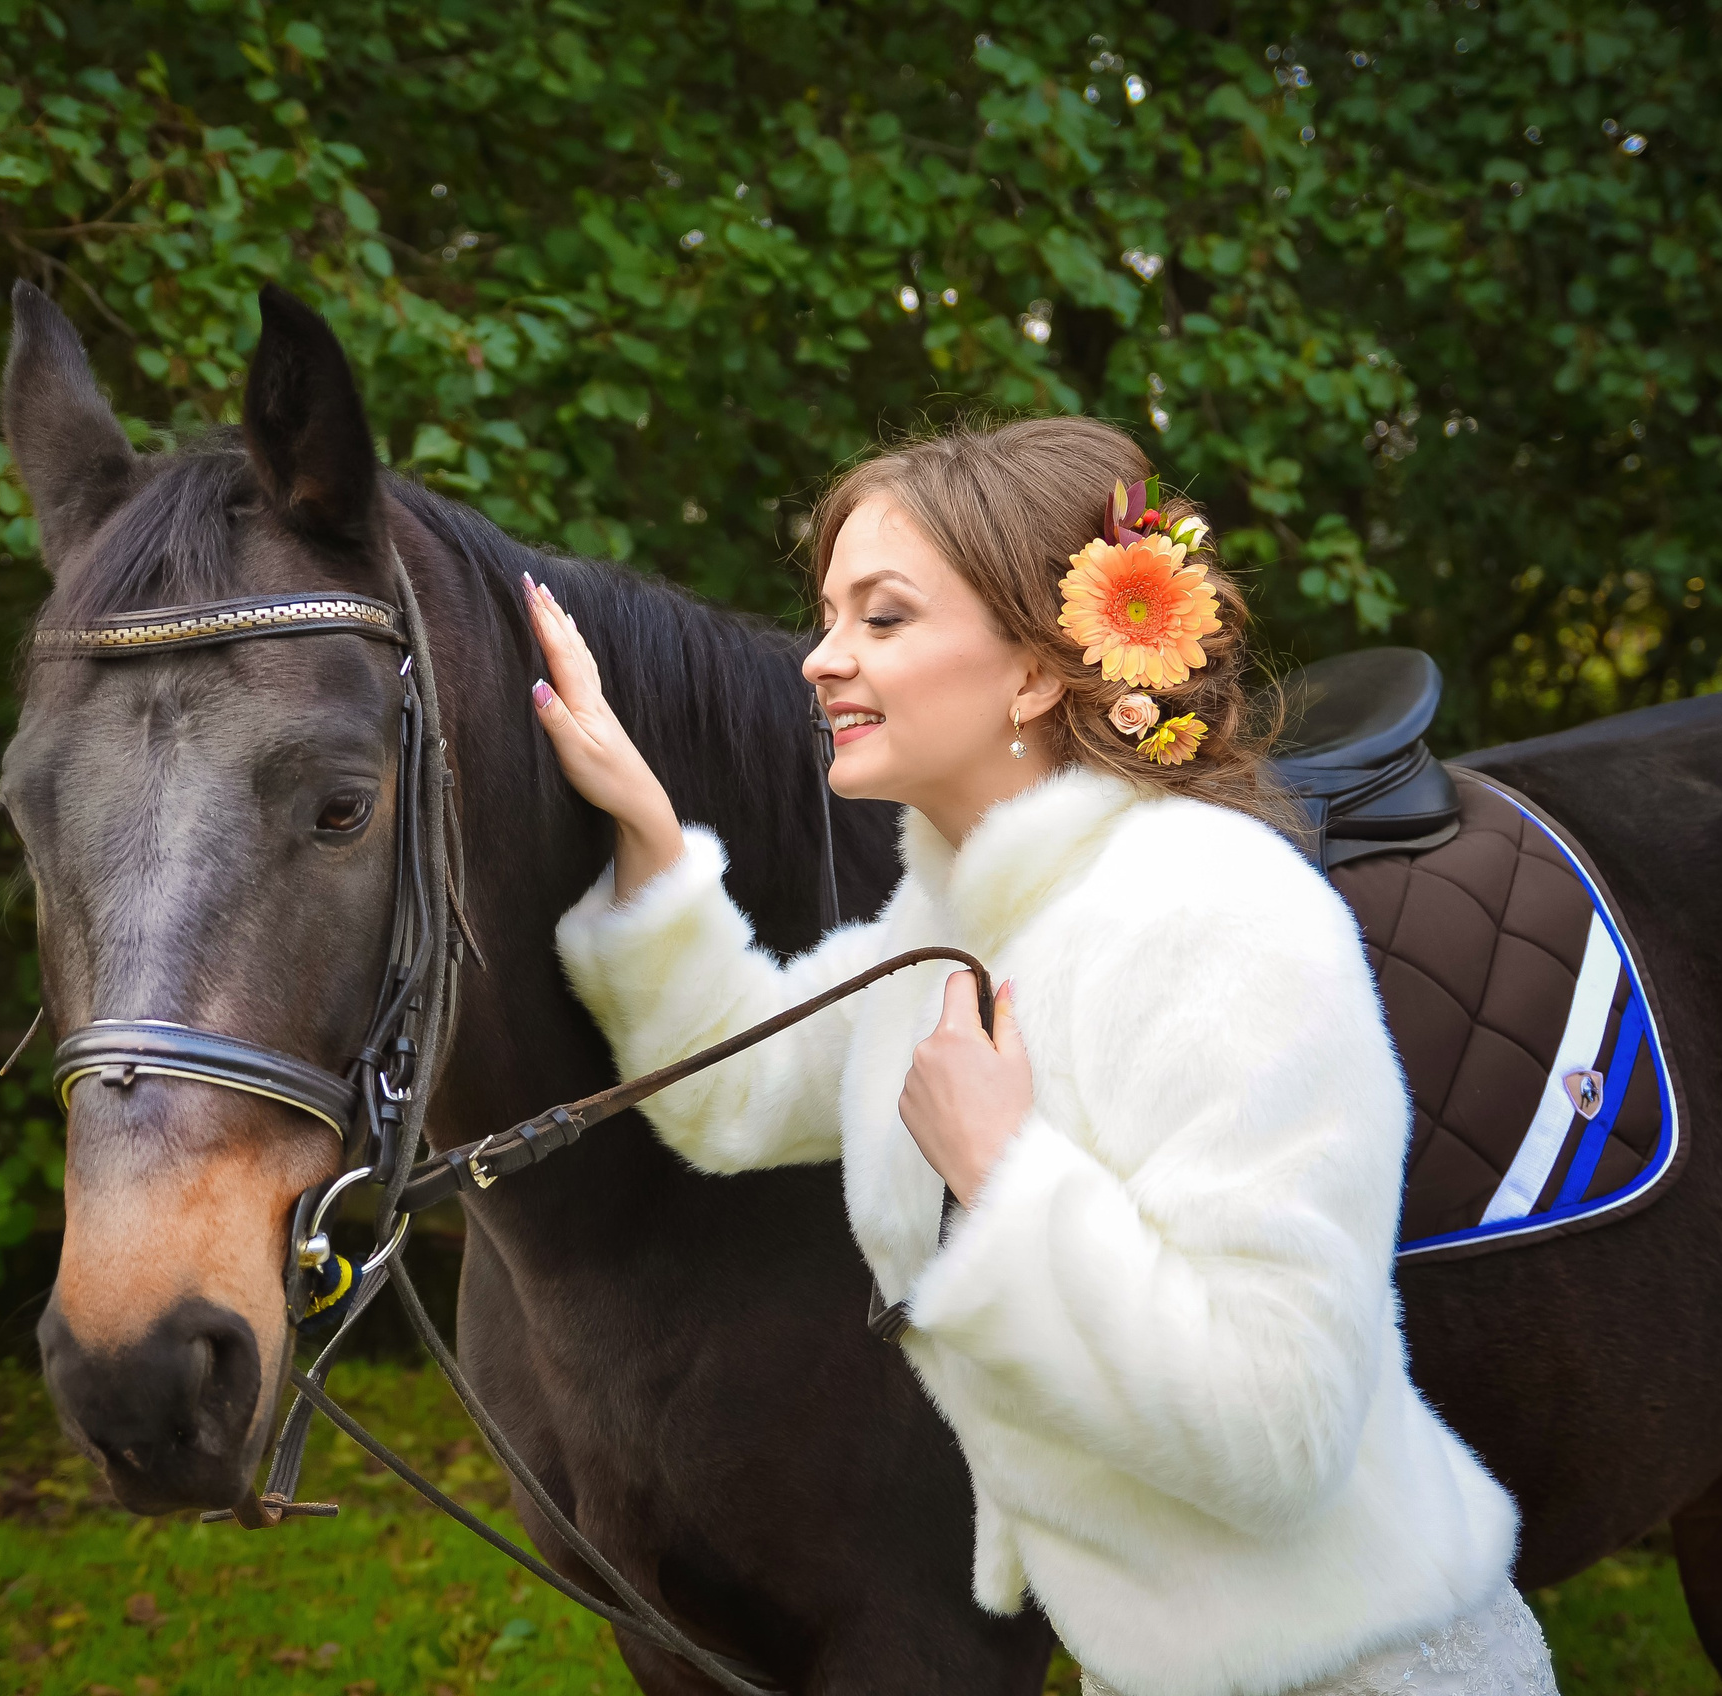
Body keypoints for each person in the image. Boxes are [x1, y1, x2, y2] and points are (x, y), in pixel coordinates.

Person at [524, 417, 1556, 1696]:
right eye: (828, 614)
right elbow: (731, 1093)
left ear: (1030, 671)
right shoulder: (948, 927)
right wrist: (645, 829)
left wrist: (1006, 1177)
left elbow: (1281, 1425)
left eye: (882, 618)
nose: (820, 660)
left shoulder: (1218, 912)